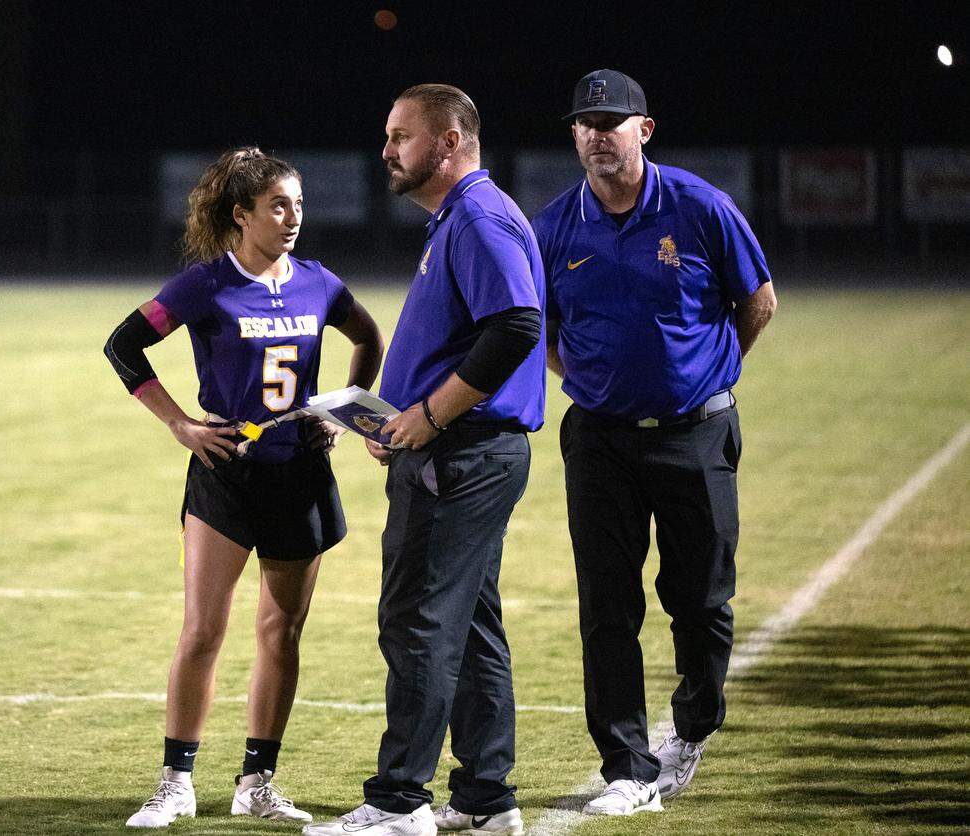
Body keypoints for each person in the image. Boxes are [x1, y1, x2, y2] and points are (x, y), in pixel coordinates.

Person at [103, 147, 384, 828]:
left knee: (281, 632)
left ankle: (256, 781)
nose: (292, 218)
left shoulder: (319, 283)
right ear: (241, 214)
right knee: (203, 629)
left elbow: (369, 337)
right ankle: (176, 782)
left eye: (298, 205)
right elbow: (123, 346)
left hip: (300, 477)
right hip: (226, 475)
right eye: (278, 206)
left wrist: (343, 413)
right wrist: (181, 425)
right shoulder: (205, 285)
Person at [531, 69, 777, 816]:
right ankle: (626, 768)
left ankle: (694, 724)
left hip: (696, 434)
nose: (598, 134)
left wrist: (709, 375)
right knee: (607, 608)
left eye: (612, 121)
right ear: (574, 134)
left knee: (700, 601)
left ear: (644, 129)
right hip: (600, 441)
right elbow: (535, 323)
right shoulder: (553, 225)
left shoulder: (700, 207)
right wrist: (587, 380)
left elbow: (758, 300)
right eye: (585, 122)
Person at [305, 85, 546, 836]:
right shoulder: (464, 215)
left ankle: (397, 802)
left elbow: (516, 324)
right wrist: (395, 417)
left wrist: (431, 414)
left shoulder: (475, 214)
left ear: (447, 142)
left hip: (461, 457)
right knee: (469, 626)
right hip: (461, 453)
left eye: (400, 135)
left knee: (418, 624)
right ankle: (485, 798)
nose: (386, 150)